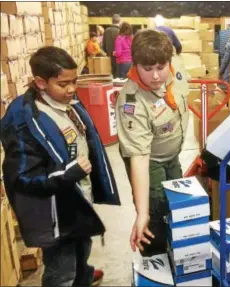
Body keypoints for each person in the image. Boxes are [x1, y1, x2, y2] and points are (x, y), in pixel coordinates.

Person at [0, 46, 121, 286]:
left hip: (76, 200)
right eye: (63, 84)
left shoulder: (67, 103)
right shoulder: (25, 121)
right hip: (56, 212)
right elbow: (22, 178)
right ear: (41, 83)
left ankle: (82, 276)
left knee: (83, 245)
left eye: (74, 82)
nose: (72, 89)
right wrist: (67, 175)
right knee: (61, 268)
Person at [115, 30, 189, 255]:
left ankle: (177, 253)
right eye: (148, 69)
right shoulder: (131, 103)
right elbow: (139, 158)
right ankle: (154, 261)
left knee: (177, 203)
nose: (156, 76)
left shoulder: (177, 70)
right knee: (155, 212)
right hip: (150, 162)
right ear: (135, 65)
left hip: (172, 156)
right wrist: (142, 213)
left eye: (161, 67)